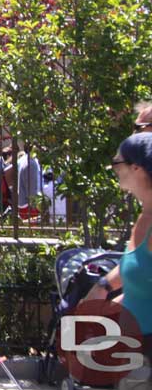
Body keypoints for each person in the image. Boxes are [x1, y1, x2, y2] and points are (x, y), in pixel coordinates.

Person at [83, 133, 152, 355]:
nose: (113, 168)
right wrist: (103, 288)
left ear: (137, 169)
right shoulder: (144, 217)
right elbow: (141, 279)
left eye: (117, 162)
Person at [16, 148, 43, 218]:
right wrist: (36, 207)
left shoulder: (26, 160)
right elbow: (31, 192)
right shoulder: (31, 164)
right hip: (28, 207)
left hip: (25, 204)